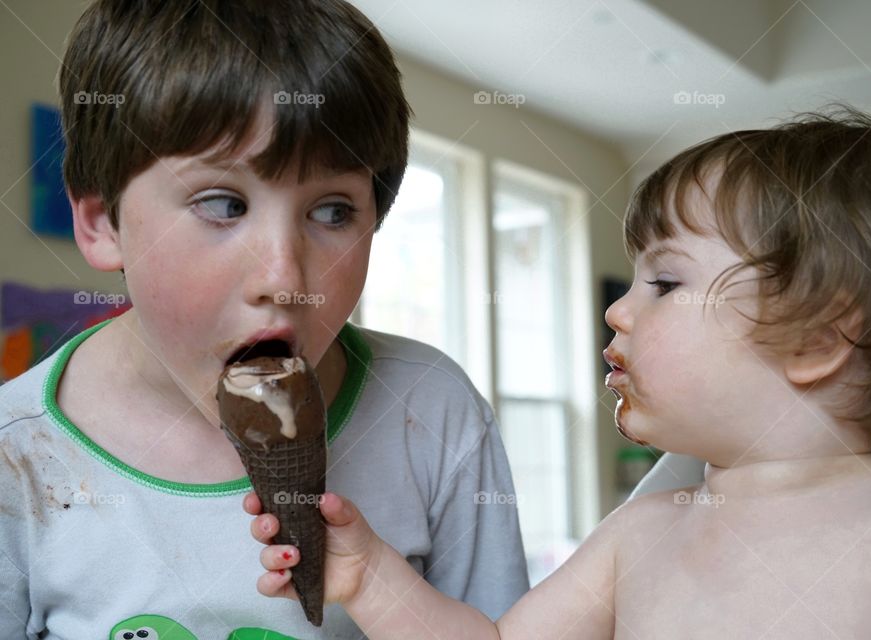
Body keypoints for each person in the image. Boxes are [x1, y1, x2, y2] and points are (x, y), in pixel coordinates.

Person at [250, 108, 871, 638]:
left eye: (666, 284)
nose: (618, 312)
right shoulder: (637, 536)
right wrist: (372, 577)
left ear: (816, 339)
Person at [0, 1, 528, 637]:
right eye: (223, 204)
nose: (284, 277)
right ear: (100, 223)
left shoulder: (433, 414)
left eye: (332, 212)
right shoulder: (16, 451)